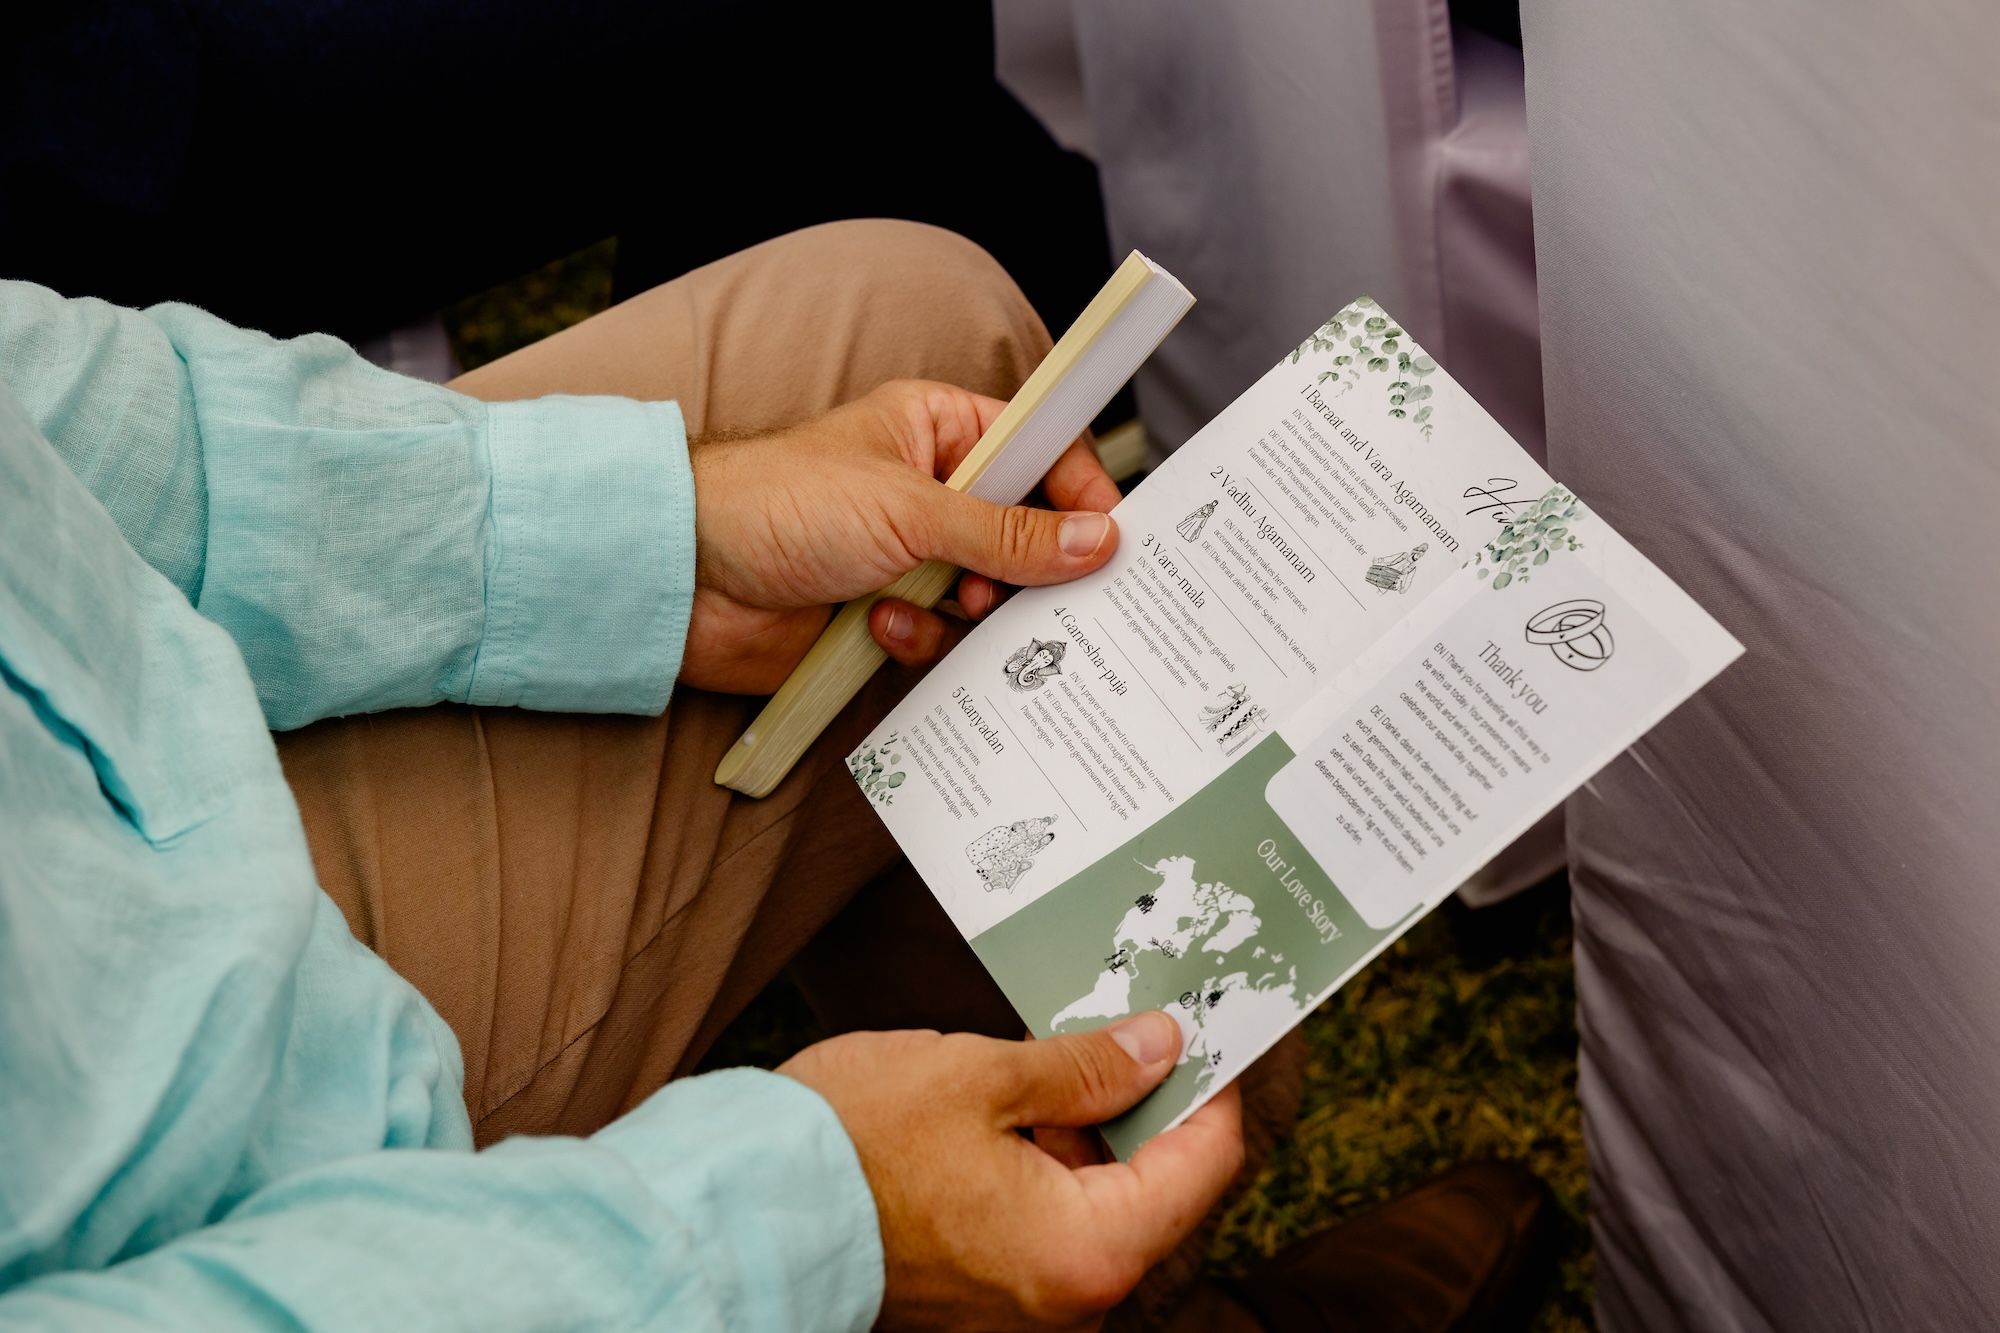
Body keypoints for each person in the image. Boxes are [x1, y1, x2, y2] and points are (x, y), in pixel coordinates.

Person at [0, 221, 1551, 1329]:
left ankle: (1115, 1262)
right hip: (193, 1205)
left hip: (111, 769)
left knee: (917, 348)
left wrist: (655, 539)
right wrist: (793, 1234)